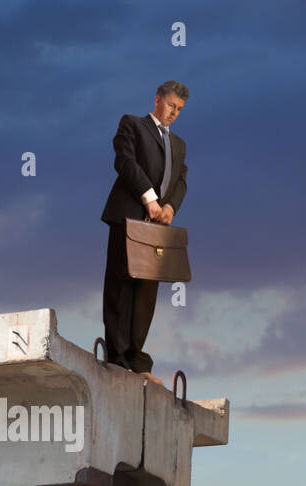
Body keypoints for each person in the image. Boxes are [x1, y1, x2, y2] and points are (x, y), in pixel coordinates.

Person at [100, 80, 189, 387]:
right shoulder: (132, 124)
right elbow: (124, 161)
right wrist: (149, 199)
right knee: (120, 287)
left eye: (179, 109)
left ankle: (137, 362)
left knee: (146, 296)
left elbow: (181, 181)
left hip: (157, 227)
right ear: (157, 100)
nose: (174, 113)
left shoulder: (179, 144)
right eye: (170, 105)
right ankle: (116, 359)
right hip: (128, 216)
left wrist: (169, 208)